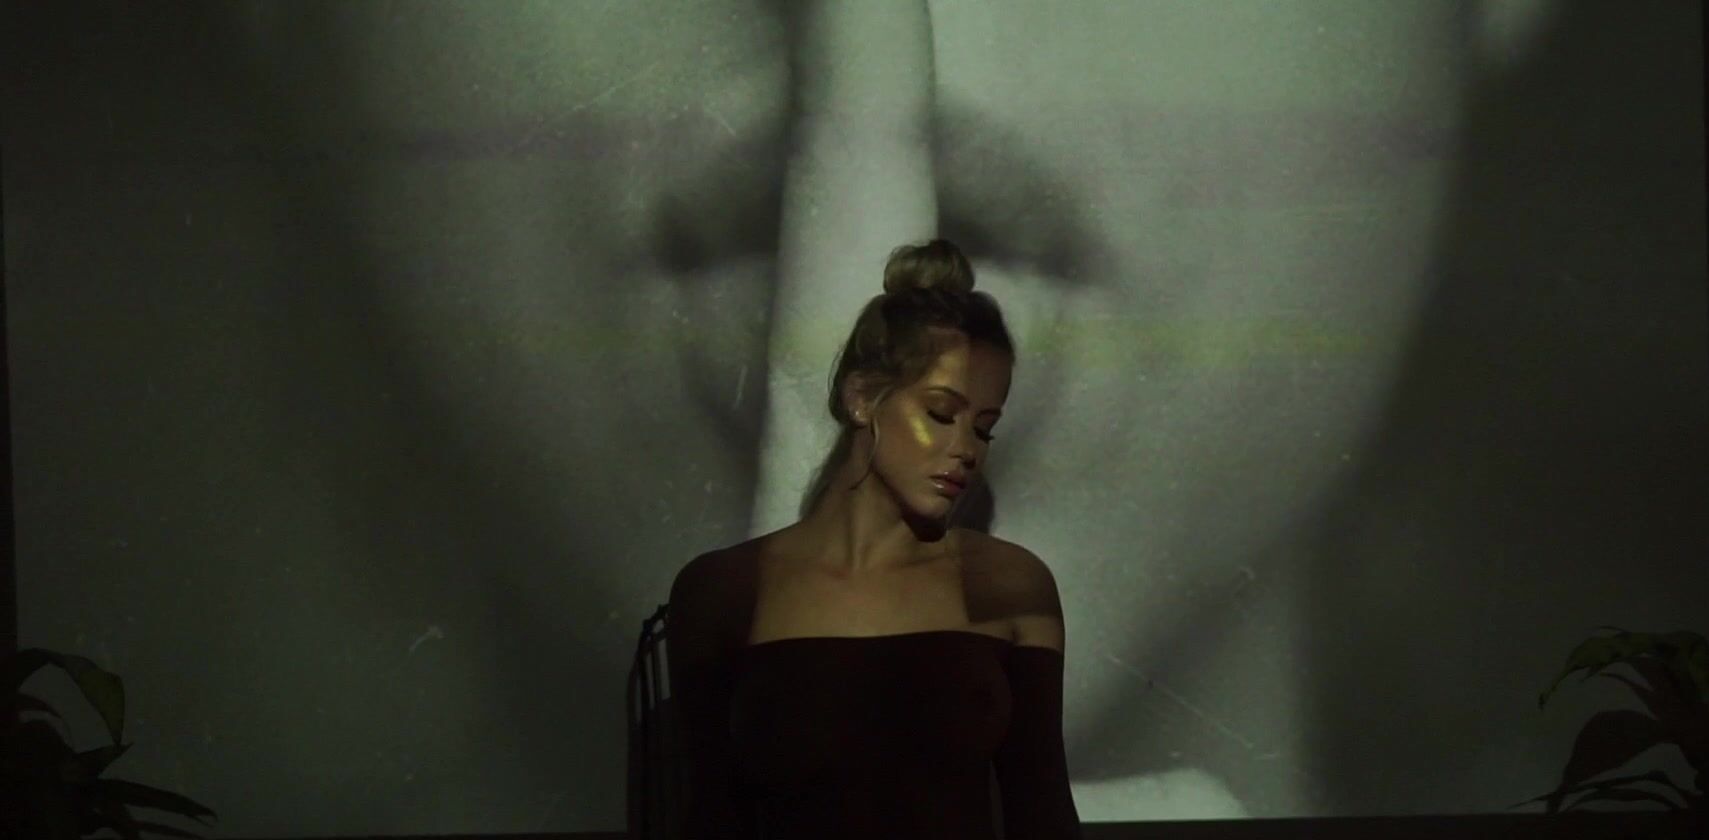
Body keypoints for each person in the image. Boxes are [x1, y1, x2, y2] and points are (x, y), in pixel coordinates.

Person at [668, 239, 1081, 839]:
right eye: (940, 413)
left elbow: (1042, 810)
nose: (966, 449)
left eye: (984, 428)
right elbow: (711, 812)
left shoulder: (1009, 584)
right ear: (862, 397)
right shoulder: (725, 588)